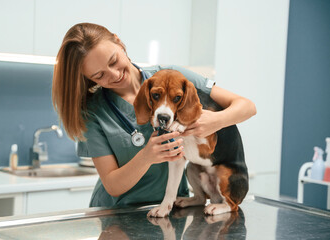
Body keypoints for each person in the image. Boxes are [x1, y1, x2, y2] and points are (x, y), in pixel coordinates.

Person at [52, 23, 256, 208]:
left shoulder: (172, 76)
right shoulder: (93, 111)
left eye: (113, 61)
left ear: (119, 42)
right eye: (99, 75)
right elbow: (112, 185)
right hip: (119, 213)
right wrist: (147, 156)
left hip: (173, 207)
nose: (114, 75)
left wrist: (215, 120)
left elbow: (247, 107)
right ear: (88, 78)